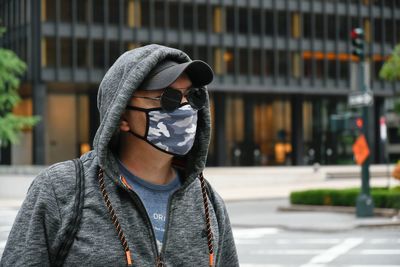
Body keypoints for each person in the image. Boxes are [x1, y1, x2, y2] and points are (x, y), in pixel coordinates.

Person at [1, 44, 239, 266]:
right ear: (122, 116)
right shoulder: (61, 190)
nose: (186, 108)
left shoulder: (207, 201)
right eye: (170, 98)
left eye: (194, 96)